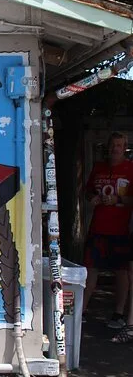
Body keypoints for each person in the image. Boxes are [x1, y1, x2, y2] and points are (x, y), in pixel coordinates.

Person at [82, 132, 133, 329]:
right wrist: (92, 197)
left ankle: (118, 314)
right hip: (97, 228)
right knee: (90, 269)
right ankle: (81, 310)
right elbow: (88, 191)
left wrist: (117, 199)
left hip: (121, 230)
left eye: (119, 145)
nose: (115, 149)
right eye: (113, 145)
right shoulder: (99, 167)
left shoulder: (130, 168)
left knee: (121, 272)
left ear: (125, 148)